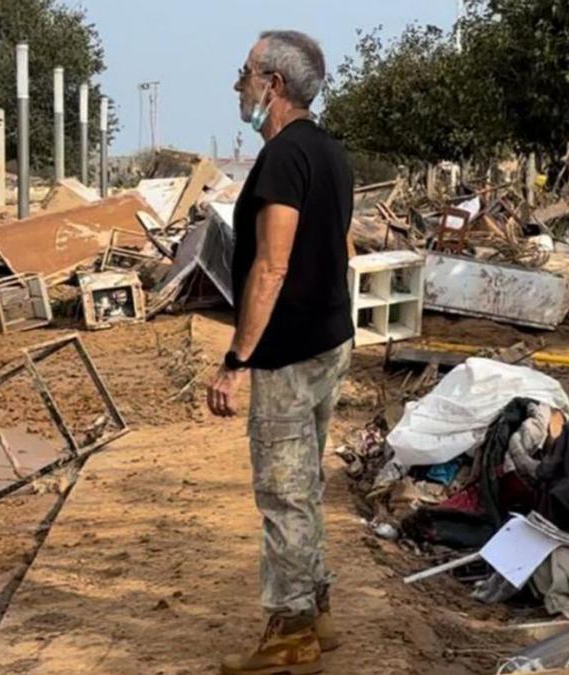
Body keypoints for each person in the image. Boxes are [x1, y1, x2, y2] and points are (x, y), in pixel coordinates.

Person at [208, 30, 354, 675]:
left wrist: (236, 360)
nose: (237, 84)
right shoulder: (329, 152)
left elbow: (271, 266)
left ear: (273, 84)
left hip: (289, 353)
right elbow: (339, 246)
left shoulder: (282, 160)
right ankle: (317, 609)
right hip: (330, 341)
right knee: (304, 484)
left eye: (245, 73)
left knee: (283, 493)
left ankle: (291, 630)